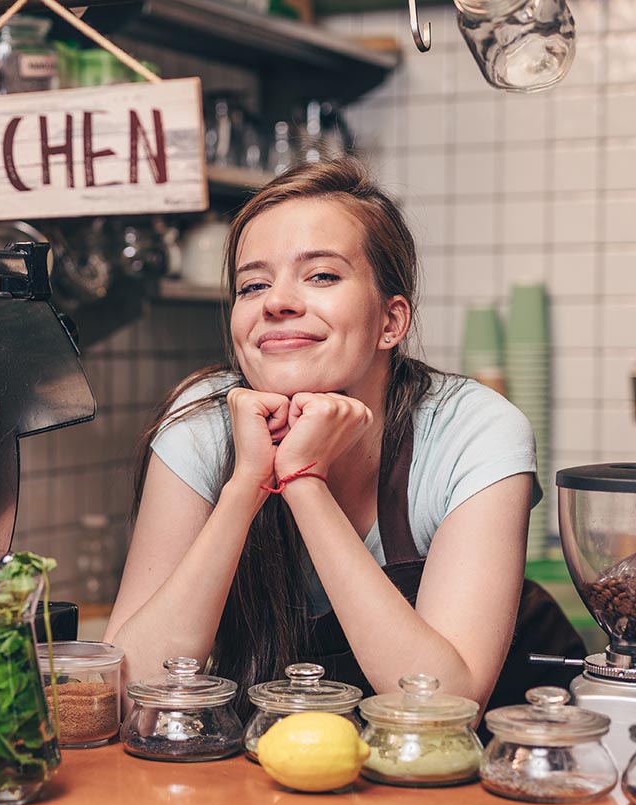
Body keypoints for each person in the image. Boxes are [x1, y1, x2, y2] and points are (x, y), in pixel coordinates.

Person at [104, 157, 581, 718]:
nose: (276, 301)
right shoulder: (201, 424)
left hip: (473, 775)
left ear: (391, 321)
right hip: (279, 773)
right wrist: (245, 488)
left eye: (322, 275)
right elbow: (126, 687)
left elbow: (444, 703)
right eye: (252, 284)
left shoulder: (473, 430)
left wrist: (304, 481)